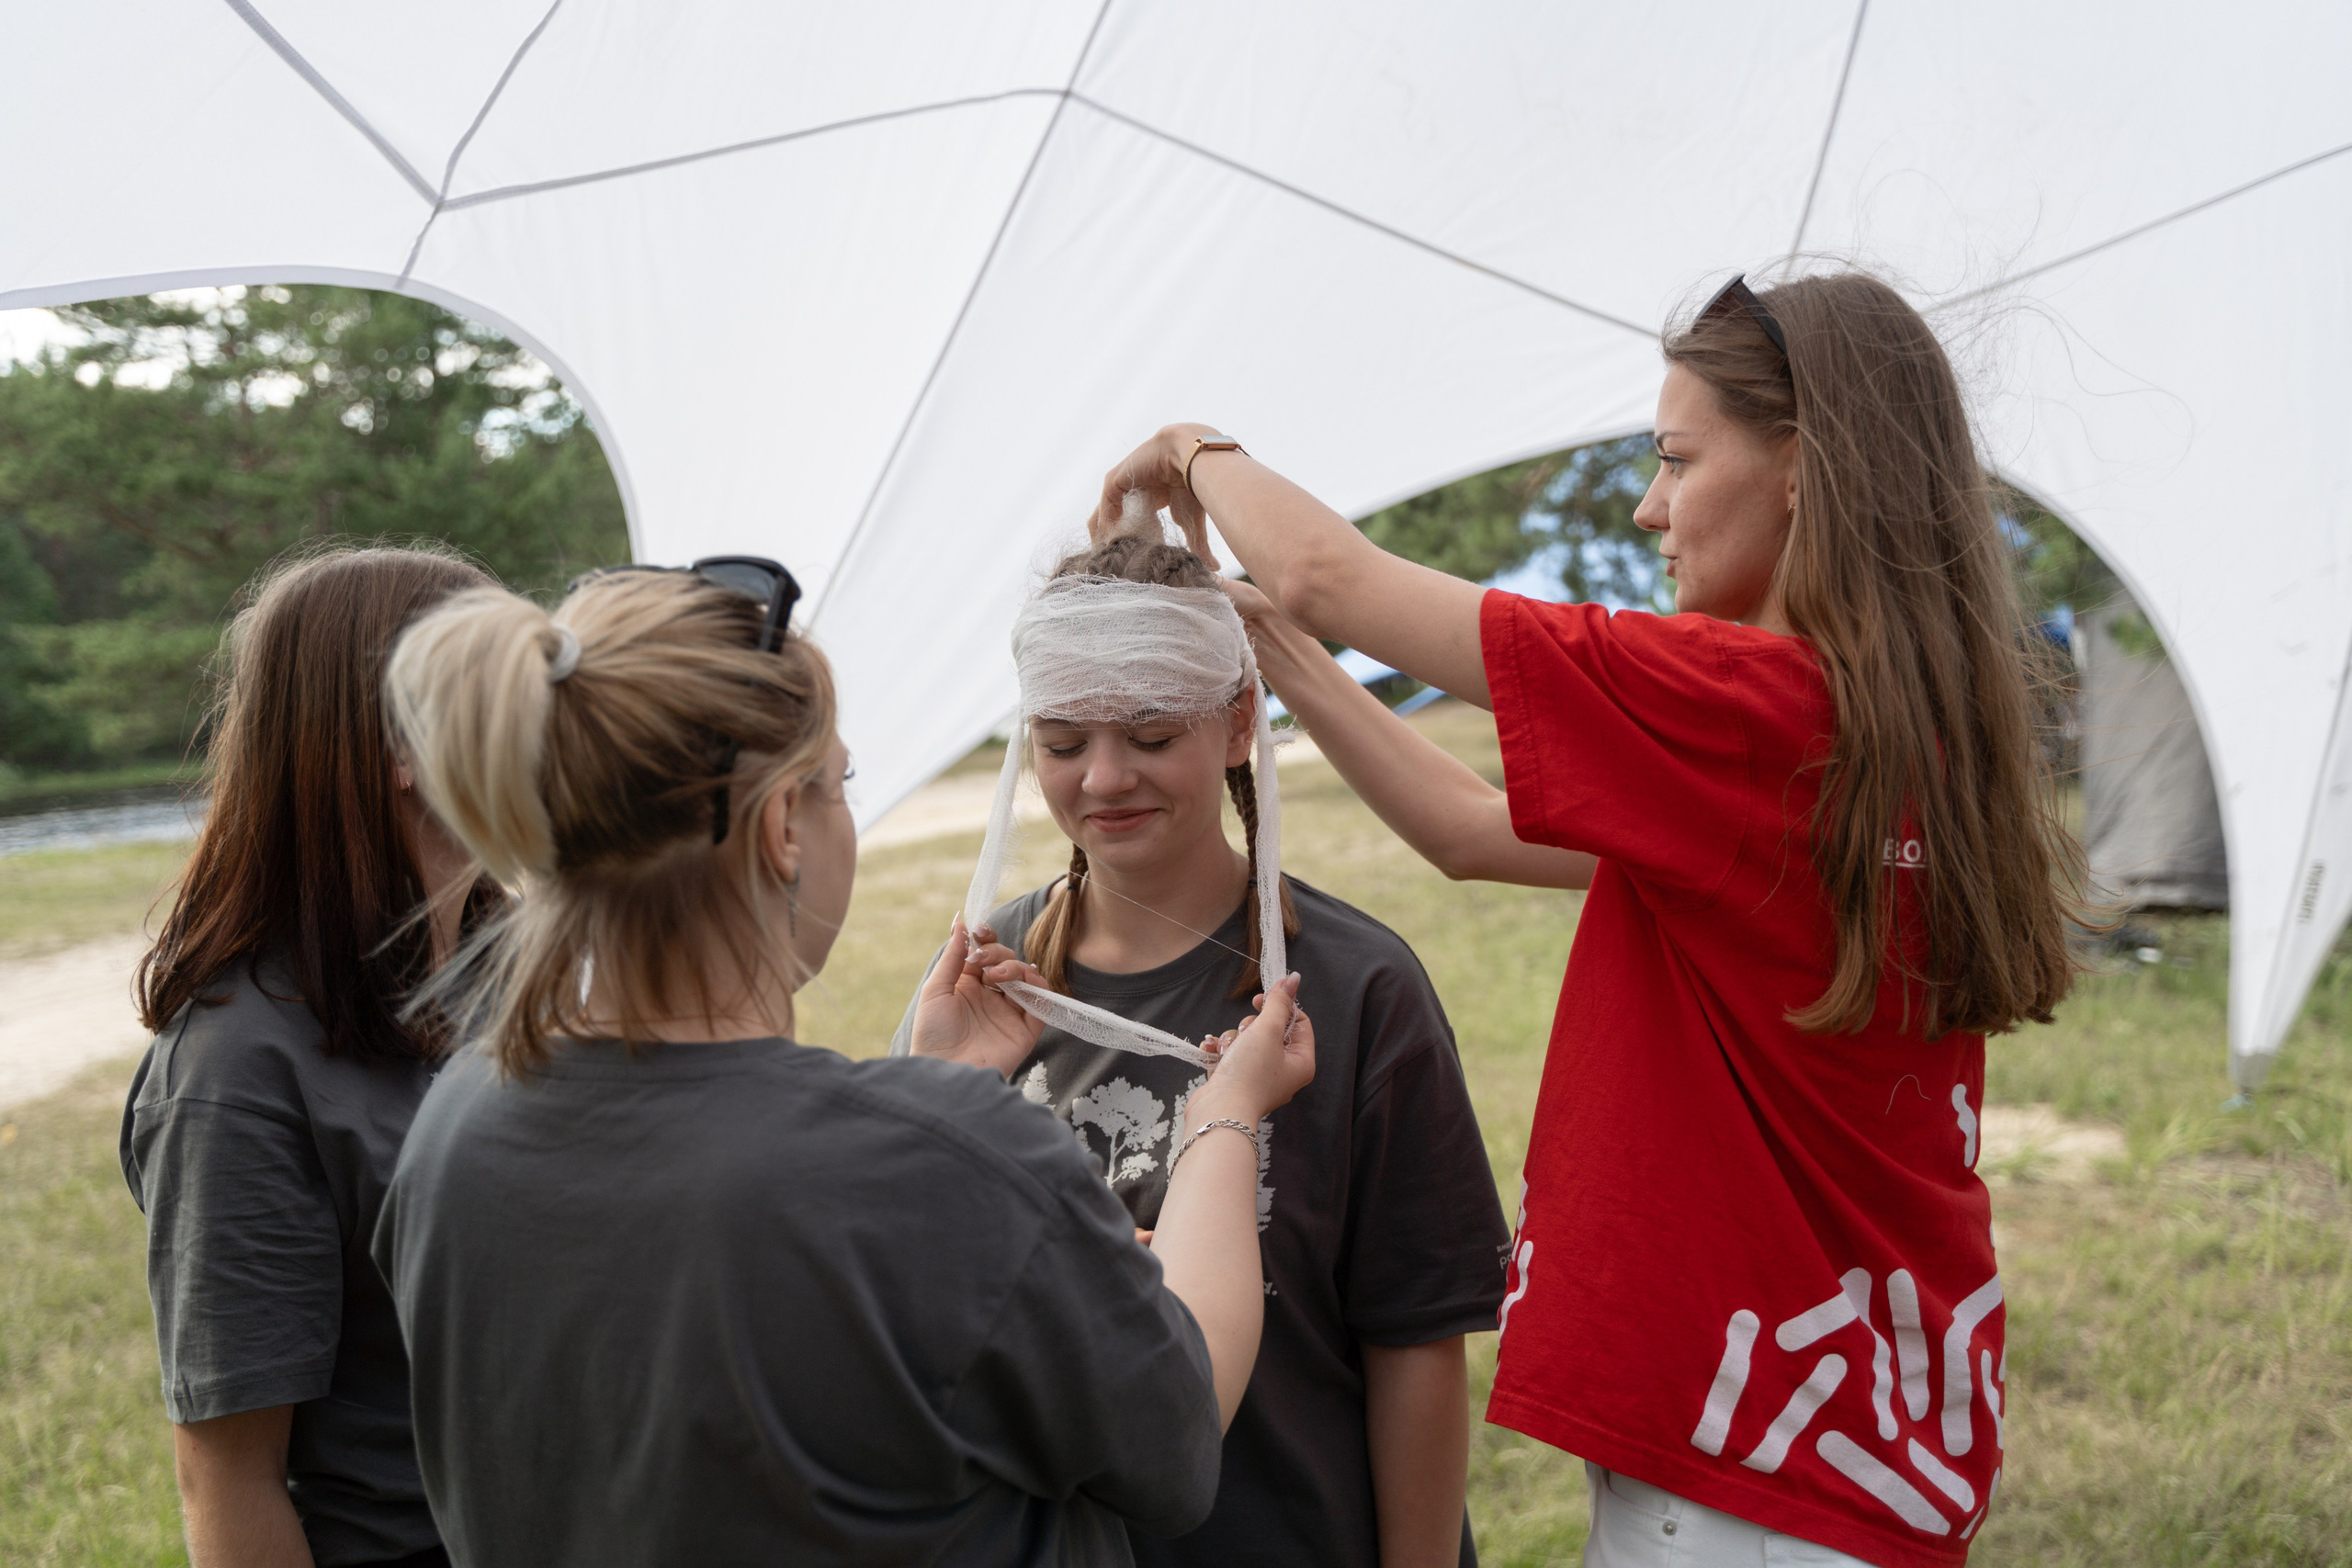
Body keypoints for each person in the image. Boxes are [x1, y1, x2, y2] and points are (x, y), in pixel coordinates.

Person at [1095, 270, 2086, 1567]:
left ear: (1803, 467)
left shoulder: (1744, 702)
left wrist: (1189, 444)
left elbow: (1328, 571)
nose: (1647, 507)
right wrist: (1277, 646)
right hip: (1859, 1443)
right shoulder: (1892, 727)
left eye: (1676, 459)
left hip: (1744, 1480)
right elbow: (1467, 829)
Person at [371, 558, 1314, 1567]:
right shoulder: (935, 1163)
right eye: (840, 783)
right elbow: (1176, 1433)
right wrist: (1224, 1115)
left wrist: (944, 1100)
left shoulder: (457, 1126)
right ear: (782, 825)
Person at [893, 526, 1509, 1567]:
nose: (1103, 778)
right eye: (1062, 742)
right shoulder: (978, 993)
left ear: (1237, 723)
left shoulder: (1357, 988)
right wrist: (933, 1098)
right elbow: (908, 1324)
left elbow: (1413, 1343)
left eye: (1148, 734)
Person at [121, 543, 497, 1568]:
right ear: (402, 746)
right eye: (513, 691)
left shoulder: (518, 978)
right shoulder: (236, 1071)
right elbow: (228, 1480)